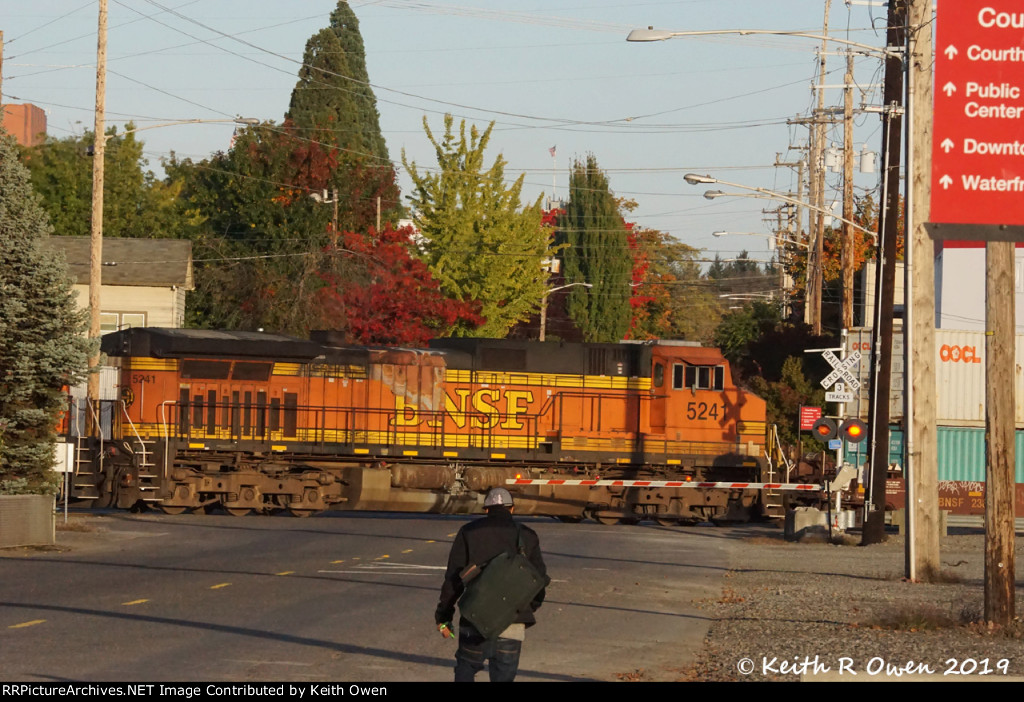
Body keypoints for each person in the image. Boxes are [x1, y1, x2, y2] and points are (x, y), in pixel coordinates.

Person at [435, 487, 547, 682]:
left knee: (466, 669)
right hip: (512, 623)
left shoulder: (469, 532)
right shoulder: (527, 535)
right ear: (512, 509)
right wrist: (525, 607)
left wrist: (443, 617)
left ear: (486, 509)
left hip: (475, 620)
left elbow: (454, 579)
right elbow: (540, 580)